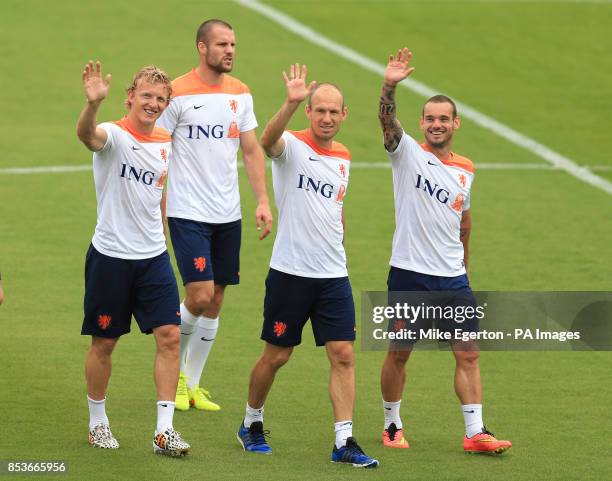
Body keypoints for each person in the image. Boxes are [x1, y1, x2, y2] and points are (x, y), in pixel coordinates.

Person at [236, 64, 378, 468]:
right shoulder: (292, 145)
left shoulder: (345, 158)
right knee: (277, 356)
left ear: (344, 115)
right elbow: (266, 141)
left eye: (334, 112)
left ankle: (344, 441)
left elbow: (336, 208)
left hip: (333, 276)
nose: (327, 118)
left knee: (344, 354)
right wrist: (289, 102)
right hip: (290, 274)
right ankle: (251, 421)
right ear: (309, 112)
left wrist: (340, 249)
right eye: (319, 111)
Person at [377, 48, 512, 454]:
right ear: (421, 123)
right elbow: (386, 121)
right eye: (430, 119)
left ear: (456, 123)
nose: (436, 125)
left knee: (469, 354)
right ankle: (391, 425)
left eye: (443, 119)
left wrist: (464, 270)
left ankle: (475, 433)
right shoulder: (407, 153)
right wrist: (389, 86)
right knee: (399, 354)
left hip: (452, 279)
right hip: (409, 274)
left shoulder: (466, 168)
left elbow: (464, 224)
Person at [157, 19, 273, 412]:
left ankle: (192, 385)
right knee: (199, 294)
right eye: (222, 44)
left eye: (233, 44)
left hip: (227, 213)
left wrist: (262, 200)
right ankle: (171, 378)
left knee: (218, 297)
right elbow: (156, 151)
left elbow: (252, 150)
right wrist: (156, 210)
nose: (230, 51)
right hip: (187, 210)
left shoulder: (241, 94)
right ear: (201, 48)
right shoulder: (176, 94)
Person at [77, 60, 190, 456]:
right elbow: (87, 136)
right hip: (111, 257)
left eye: (160, 98)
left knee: (170, 337)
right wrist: (91, 105)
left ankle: (164, 431)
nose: (153, 103)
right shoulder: (113, 134)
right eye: (146, 95)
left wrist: (162, 241)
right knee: (105, 343)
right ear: (130, 97)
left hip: (153, 258)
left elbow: (157, 197)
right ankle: (97, 422)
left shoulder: (164, 143)